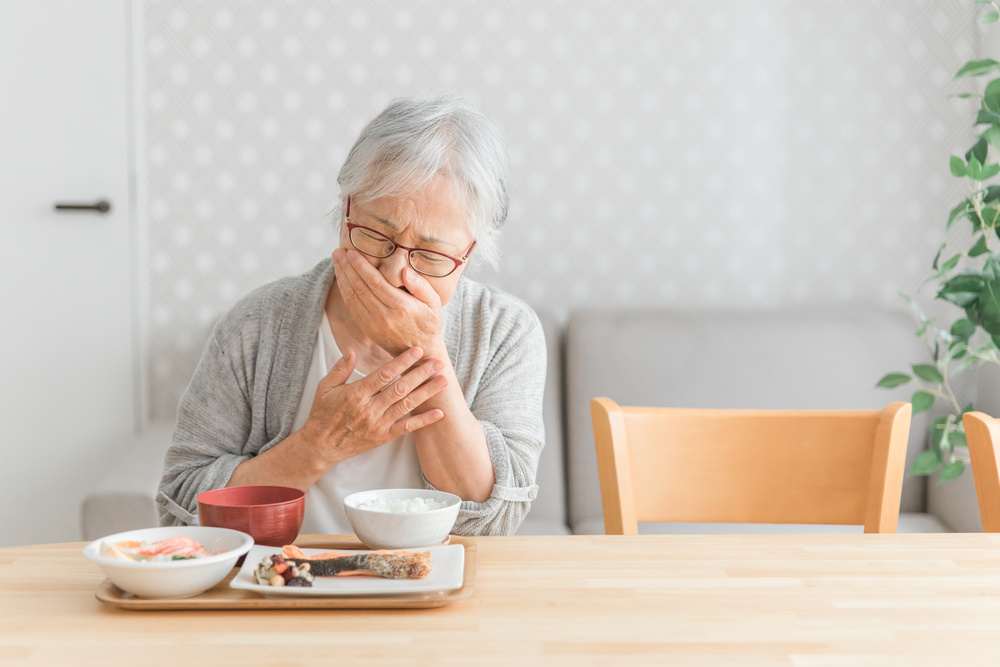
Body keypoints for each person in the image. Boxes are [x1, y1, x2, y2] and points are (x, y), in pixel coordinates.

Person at [157, 93, 546, 536]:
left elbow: (496, 520)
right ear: (345, 208)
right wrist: (316, 445)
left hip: (435, 593)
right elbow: (179, 508)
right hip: (283, 589)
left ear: (469, 254)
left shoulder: (506, 332)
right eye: (377, 234)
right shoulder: (257, 325)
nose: (396, 272)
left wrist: (425, 349)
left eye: (431, 255)